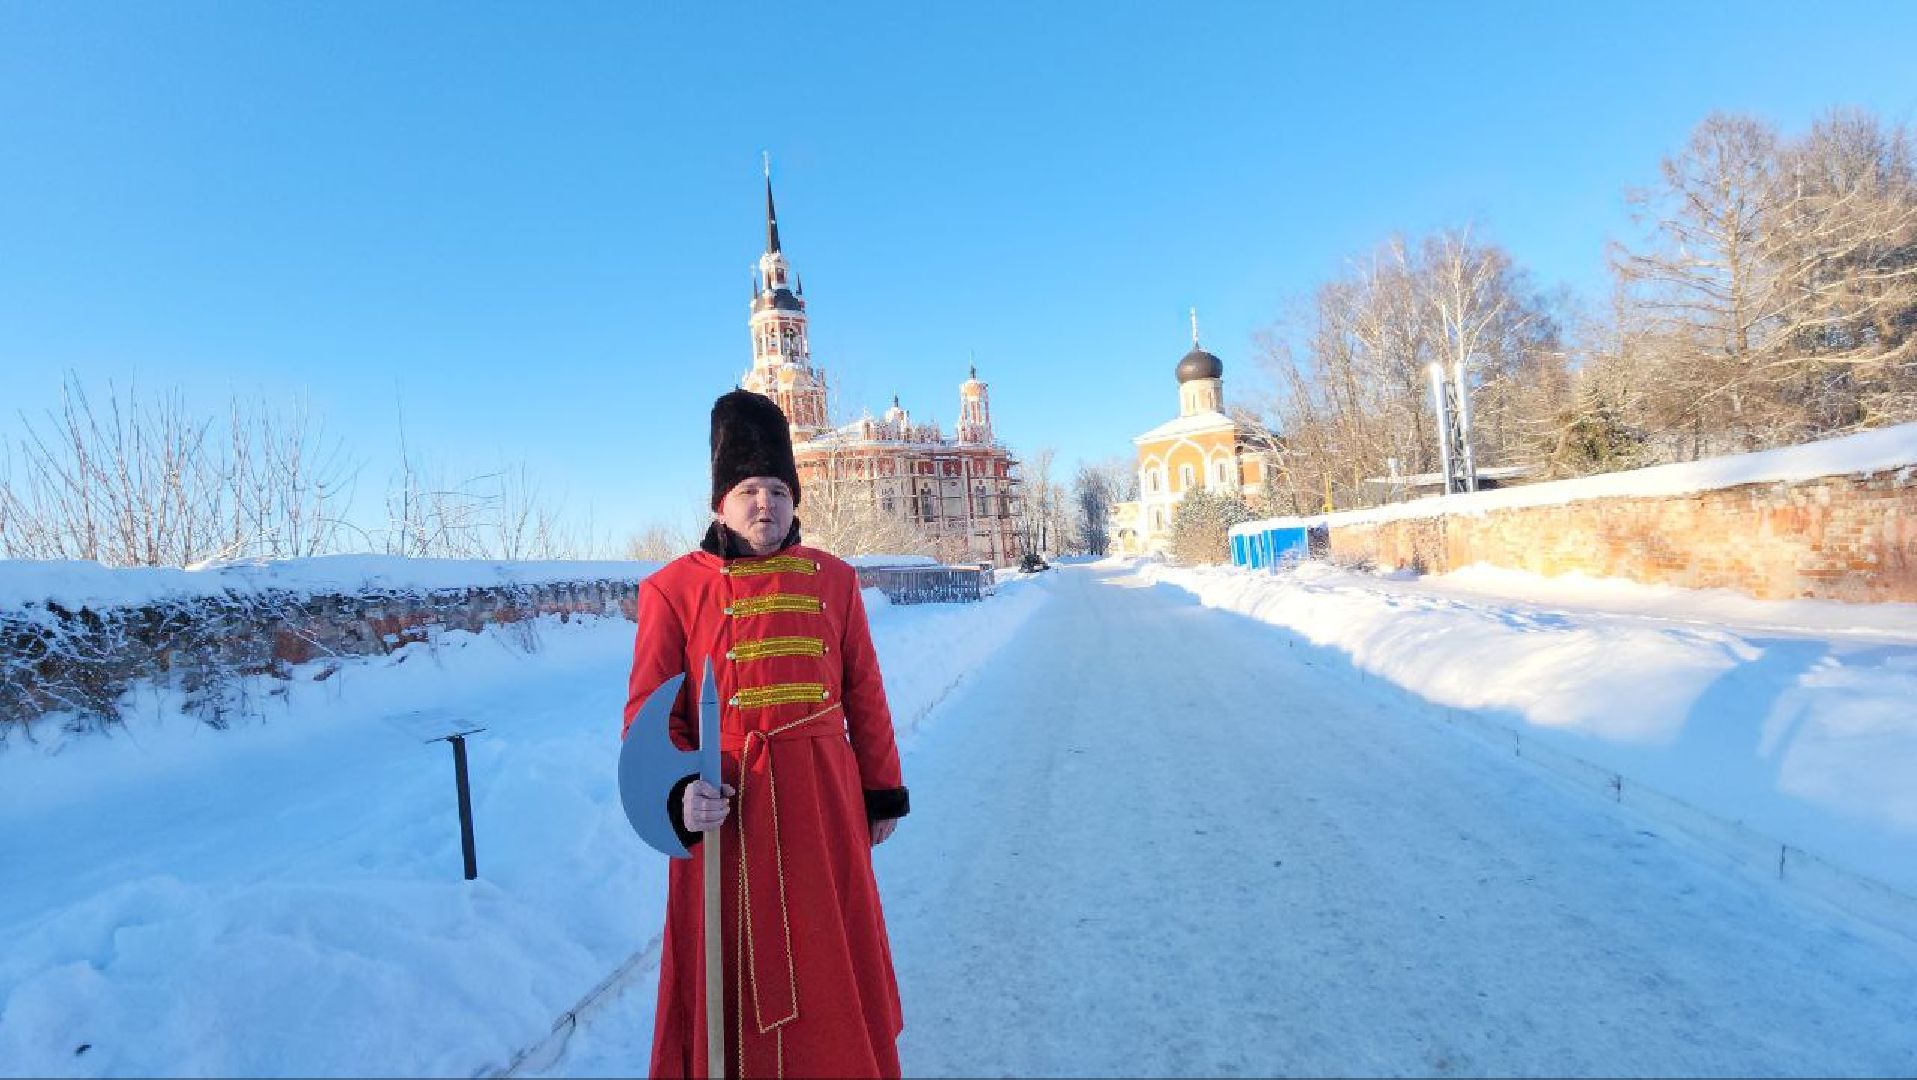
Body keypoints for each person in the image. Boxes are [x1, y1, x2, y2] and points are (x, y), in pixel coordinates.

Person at [622, 389, 910, 1078]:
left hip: (821, 805)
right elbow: (648, 717)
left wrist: (880, 792)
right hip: (726, 814)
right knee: (729, 975)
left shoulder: (836, 582)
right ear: (719, 501)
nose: (765, 504)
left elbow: (863, 692)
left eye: (778, 489)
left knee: (826, 956)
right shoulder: (671, 590)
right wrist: (678, 795)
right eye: (748, 489)